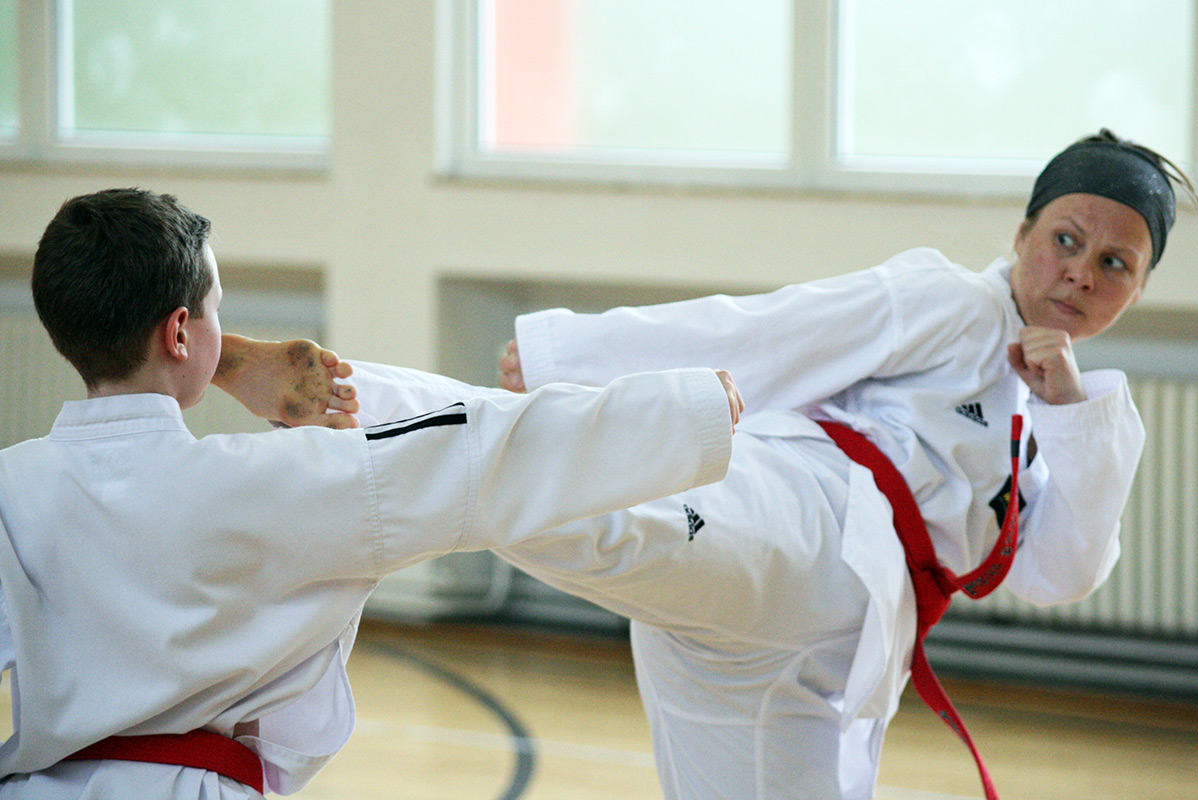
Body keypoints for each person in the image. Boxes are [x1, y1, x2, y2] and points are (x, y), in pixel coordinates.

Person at [328, 130, 1195, 800]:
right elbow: (772, 329)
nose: (1079, 273)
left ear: (1139, 287)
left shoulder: (1063, 417)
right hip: (796, 529)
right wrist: (577, 355)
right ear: (1022, 233)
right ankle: (351, 400)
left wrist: (1072, 409)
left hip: (828, 659)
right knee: (601, 515)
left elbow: (1060, 573)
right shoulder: (953, 304)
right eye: (1066, 240)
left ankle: (389, 433)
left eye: (1114, 264)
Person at [0, 188, 744, 798]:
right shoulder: (267, 483)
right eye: (218, 313)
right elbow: (480, 447)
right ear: (182, 331)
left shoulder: (14, 488)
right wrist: (681, 411)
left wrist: (211, 358)